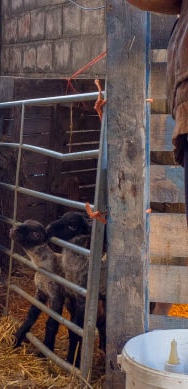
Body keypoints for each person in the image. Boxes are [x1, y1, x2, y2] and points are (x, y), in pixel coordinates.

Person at [126, 1, 187, 315]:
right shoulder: (181, 21)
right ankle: (158, 313)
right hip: (179, 135)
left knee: (171, 246)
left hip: (178, 138)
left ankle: (160, 313)